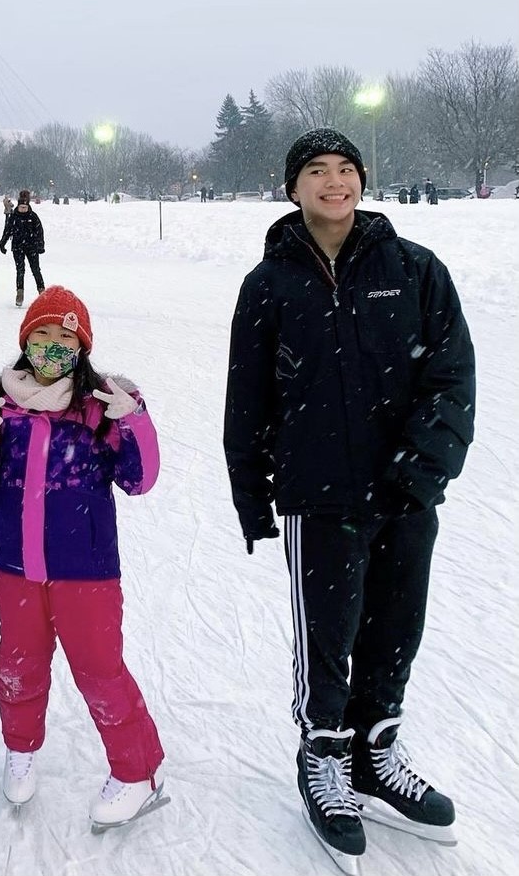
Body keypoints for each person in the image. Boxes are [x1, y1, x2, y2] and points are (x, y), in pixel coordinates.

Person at [224, 129, 475, 869]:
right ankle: (325, 755)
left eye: (344, 169)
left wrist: (420, 468)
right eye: (315, 171)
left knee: (396, 625)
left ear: (360, 180)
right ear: (291, 187)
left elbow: (451, 379)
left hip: (404, 491)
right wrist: (250, 493)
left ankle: (373, 751)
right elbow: (248, 397)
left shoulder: (414, 269)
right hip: (319, 492)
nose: (333, 182)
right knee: (329, 633)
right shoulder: (268, 283)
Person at [0, 286, 166, 830]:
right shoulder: (5, 406)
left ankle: (138, 771)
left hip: (86, 569)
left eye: (66, 337)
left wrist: (132, 419)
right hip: (17, 567)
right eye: (43, 334)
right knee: (18, 667)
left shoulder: (98, 409)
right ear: (26, 341)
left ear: (82, 347)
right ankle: (20, 750)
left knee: (99, 671)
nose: (54, 345)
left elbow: (139, 480)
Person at [0, 189, 46, 308]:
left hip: (32, 247)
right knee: (20, 270)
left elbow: (39, 231)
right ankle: (20, 293)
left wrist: (40, 245)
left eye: (25, 207)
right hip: (17, 247)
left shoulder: (33, 216)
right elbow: (7, 231)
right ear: (18, 206)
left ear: (28, 206)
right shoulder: (14, 217)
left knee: (36, 270)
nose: (23, 209)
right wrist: (2, 243)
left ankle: (42, 293)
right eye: (21, 207)